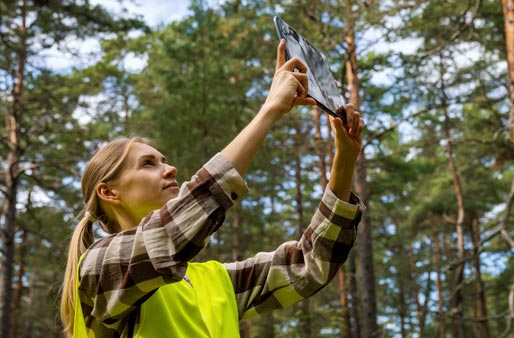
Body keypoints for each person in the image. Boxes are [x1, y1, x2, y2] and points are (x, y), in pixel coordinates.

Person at [60, 39, 365, 337]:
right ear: (109, 193)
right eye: (148, 164)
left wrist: (345, 161)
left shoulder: (218, 281)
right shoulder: (100, 271)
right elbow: (171, 235)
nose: (170, 169)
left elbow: (310, 264)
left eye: (164, 160)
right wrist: (269, 110)